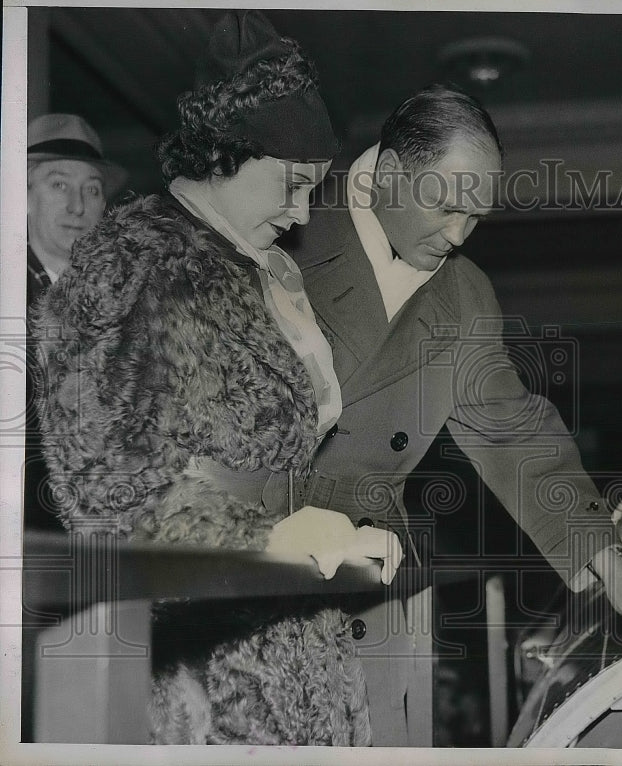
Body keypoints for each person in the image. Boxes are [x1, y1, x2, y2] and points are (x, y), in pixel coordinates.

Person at [33, 11, 400, 745]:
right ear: (226, 153)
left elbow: (273, 461)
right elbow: (106, 499)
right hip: (190, 682)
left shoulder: (258, 265)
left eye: (314, 188)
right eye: (291, 185)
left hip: (290, 646)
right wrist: (271, 535)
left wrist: (338, 530)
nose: (302, 214)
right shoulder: (134, 262)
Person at [290, 85, 622, 743]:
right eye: (444, 206)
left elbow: (513, 431)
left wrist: (608, 562)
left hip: (373, 594)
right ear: (389, 174)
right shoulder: (284, 225)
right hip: (258, 575)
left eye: (475, 217)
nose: (457, 235)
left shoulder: (465, 295)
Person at [24, 113, 127, 532]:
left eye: (92, 189)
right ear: (24, 195)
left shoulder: (120, 300)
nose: (77, 206)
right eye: (60, 184)